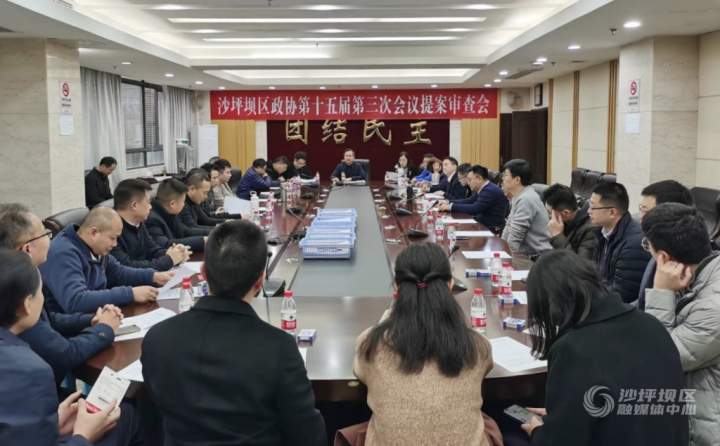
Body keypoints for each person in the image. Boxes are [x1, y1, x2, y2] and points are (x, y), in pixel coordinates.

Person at [142, 220, 327, 446]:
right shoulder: (279, 347)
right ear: (260, 281)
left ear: (203, 272)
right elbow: (307, 436)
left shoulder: (156, 339)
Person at [519, 250, 688, 446]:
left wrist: (539, 431)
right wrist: (563, 414)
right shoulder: (652, 324)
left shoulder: (573, 348)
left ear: (550, 306)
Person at [0, 249, 150, 446]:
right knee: (132, 415)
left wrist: (50, 425)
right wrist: (83, 435)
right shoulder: (29, 371)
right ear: (27, 304)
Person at [355, 242, 494, 446]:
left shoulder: (370, 344)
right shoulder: (478, 346)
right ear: (450, 284)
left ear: (397, 287)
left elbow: (361, 372)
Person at [0, 204, 121, 384]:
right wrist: (104, 329)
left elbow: (49, 320)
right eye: (45, 234)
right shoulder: (17, 292)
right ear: (27, 249)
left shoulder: (17, 276)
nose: (51, 240)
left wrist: (91, 320)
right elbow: (65, 354)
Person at [642, 204, 720, 446]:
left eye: (647, 246)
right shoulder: (701, 273)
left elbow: (658, 359)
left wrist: (661, 292)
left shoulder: (713, 308)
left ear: (664, 257)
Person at [40, 207, 173, 314]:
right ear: (93, 233)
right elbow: (75, 300)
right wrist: (130, 294)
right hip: (66, 328)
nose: (115, 244)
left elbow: (117, 272)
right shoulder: (63, 253)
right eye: (112, 238)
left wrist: (153, 276)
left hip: (95, 316)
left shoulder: (94, 246)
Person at [636, 180, 695, 310]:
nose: (640, 216)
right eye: (641, 209)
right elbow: (641, 302)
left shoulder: (687, 260)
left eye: (646, 211)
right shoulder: (657, 243)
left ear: (667, 213)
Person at [589, 182, 651, 303]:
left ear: (612, 212)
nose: (589, 211)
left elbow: (622, 293)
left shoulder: (634, 244)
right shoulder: (601, 232)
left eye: (593, 207)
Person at [111, 179, 189, 272]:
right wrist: (169, 260)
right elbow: (127, 266)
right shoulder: (110, 229)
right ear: (134, 205)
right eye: (148, 202)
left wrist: (173, 253)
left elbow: (152, 249)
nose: (151, 206)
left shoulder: (139, 222)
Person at [501, 159, 552, 258]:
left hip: (536, 257)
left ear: (517, 180)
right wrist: (501, 248)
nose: (503, 179)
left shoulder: (526, 199)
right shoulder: (518, 196)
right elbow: (509, 226)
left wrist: (506, 258)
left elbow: (515, 237)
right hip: (526, 255)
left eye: (505, 175)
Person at [438, 165, 507, 232]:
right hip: (481, 225)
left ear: (479, 179)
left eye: (470, 180)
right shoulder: (483, 188)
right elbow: (469, 201)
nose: (468, 183)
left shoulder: (490, 190)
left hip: (490, 229)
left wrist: (451, 207)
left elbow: (475, 208)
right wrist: (448, 202)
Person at [146, 178, 207, 253]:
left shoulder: (172, 212)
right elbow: (165, 244)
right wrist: (203, 241)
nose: (184, 205)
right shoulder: (151, 219)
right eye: (183, 201)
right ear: (172, 204)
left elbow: (186, 231)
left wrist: (213, 233)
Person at [541, 183, 595, 260]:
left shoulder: (591, 229)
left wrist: (557, 236)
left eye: (549, 212)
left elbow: (580, 263)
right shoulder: (563, 222)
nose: (548, 216)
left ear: (566, 213)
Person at [180, 170, 226, 235]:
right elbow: (192, 229)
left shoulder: (194, 201)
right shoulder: (182, 204)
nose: (206, 197)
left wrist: (226, 222)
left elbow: (205, 220)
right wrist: (221, 229)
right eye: (204, 193)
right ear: (192, 189)